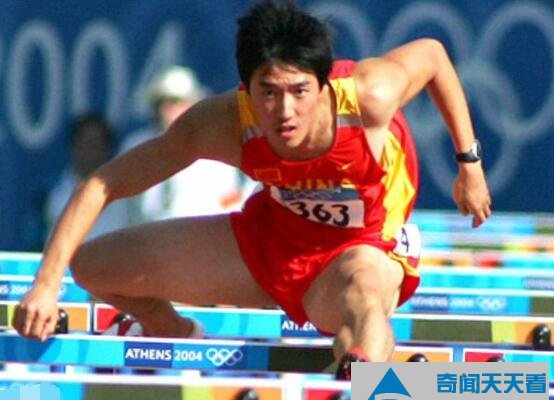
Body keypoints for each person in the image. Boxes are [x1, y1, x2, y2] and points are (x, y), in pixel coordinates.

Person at [13, 1, 491, 380]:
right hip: (270, 241)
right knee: (91, 266)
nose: (285, 111)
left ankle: (364, 393)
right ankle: (173, 330)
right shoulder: (221, 123)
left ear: (324, 84)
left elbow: (433, 55)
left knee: (363, 304)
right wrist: (46, 285)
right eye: (268, 92)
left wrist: (469, 164)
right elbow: (102, 183)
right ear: (246, 89)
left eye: (299, 91)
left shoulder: (369, 94)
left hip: (361, 248)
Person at [118, 66, 254, 225]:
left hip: (205, 234)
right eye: (161, 102)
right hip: (152, 234)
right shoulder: (136, 145)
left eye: (177, 101)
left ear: (193, 104)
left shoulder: (216, 146)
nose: (168, 108)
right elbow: (126, 208)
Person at [45, 113, 127, 241]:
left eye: (95, 145)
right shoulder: (51, 194)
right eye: (85, 144)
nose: (90, 152)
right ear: (73, 147)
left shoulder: (123, 196)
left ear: (106, 150)